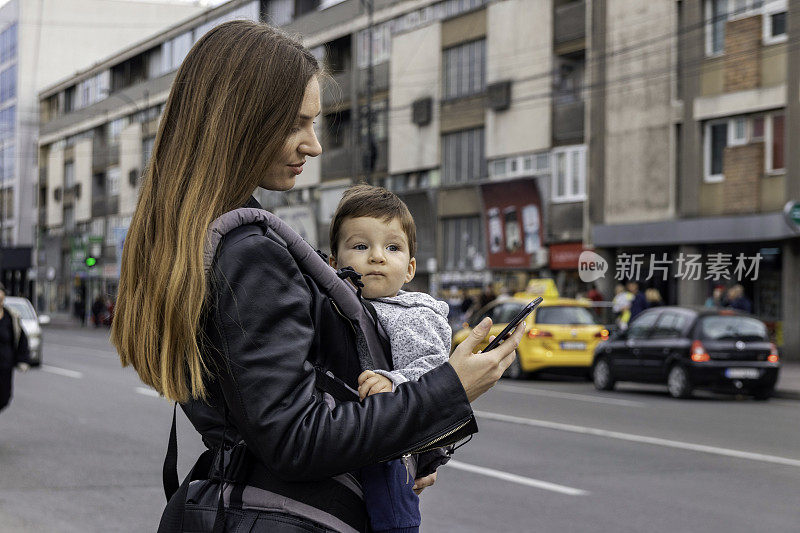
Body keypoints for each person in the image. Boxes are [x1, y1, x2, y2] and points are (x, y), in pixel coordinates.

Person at [110, 21, 523, 533]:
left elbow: (275, 420)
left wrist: (397, 444)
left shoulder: (195, 236)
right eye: (297, 124)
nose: (315, 145)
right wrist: (447, 390)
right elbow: (296, 440)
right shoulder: (249, 252)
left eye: (316, 124)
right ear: (241, 123)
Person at [327, 184, 450, 533]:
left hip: (391, 437)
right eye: (361, 246)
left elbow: (435, 371)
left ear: (410, 268)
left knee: (393, 514)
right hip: (351, 436)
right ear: (333, 263)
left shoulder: (413, 313)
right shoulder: (341, 305)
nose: (377, 256)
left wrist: (392, 381)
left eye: (392, 247)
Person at [0, 283, 30, 414]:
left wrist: (23, 359)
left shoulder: (11, 317)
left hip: (5, 366)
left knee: (4, 398)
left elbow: (21, 339)